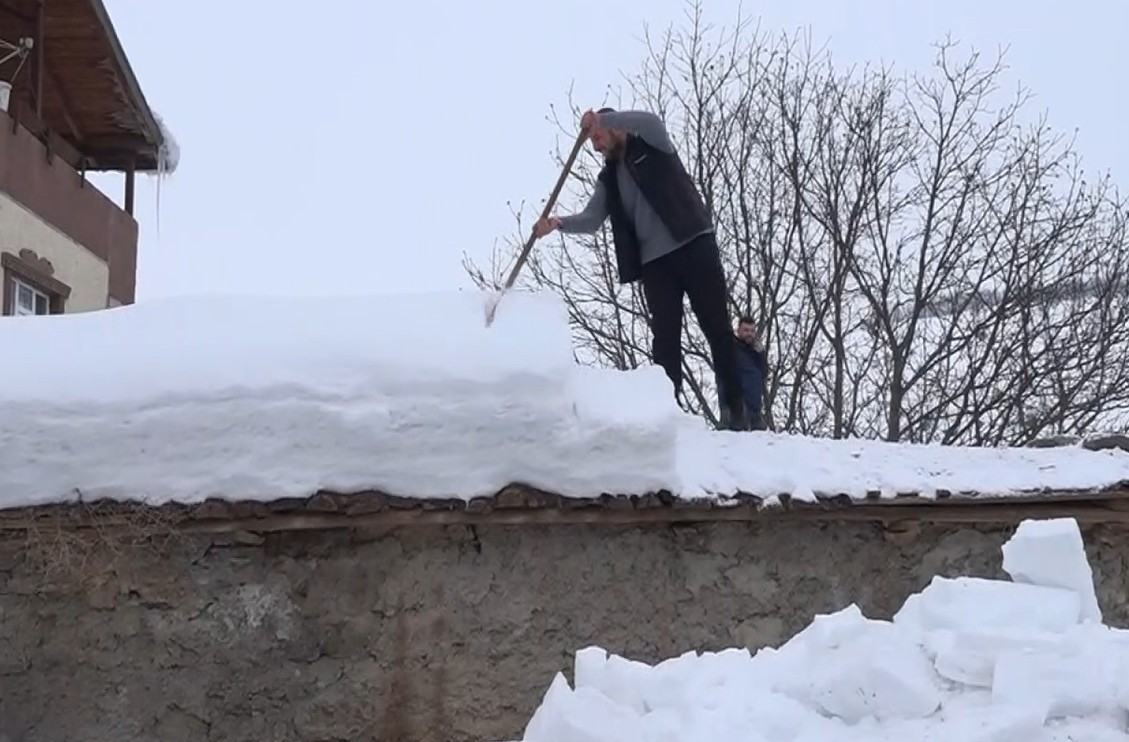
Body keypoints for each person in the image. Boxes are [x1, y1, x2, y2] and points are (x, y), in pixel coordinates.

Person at [532, 107, 750, 431]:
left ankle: (735, 411)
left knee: (716, 328)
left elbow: (651, 120)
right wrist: (557, 223)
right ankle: (668, 415)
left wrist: (602, 120)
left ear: (615, 127)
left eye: (598, 137)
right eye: (592, 140)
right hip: (655, 264)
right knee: (664, 341)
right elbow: (592, 219)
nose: (595, 146)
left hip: (693, 242)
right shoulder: (608, 178)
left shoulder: (653, 143)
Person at [716, 316, 768, 431]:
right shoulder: (731, 349)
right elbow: (722, 376)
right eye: (746, 330)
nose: (749, 334)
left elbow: (764, 374)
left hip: (755, 411)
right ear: (738, 330)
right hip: (735, 408)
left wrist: (761, 355)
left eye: (752, 331)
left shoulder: (757, 352)